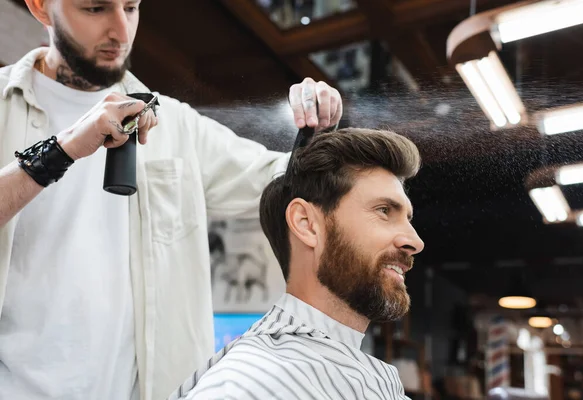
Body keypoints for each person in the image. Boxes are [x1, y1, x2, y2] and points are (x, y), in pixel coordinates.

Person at [0, 1, 344, 400]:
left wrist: (317, 133)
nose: (120, 30)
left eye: (130, 7)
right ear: (41, 8)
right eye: (95, 9)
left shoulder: (177, 125)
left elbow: (284, 179)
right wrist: (63, 149)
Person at [170, 128, 425, 400]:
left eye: (408, 219)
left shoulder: (366, 377)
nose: (415, 241)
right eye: (384, 211)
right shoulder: (245, 386)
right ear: (306, 224)